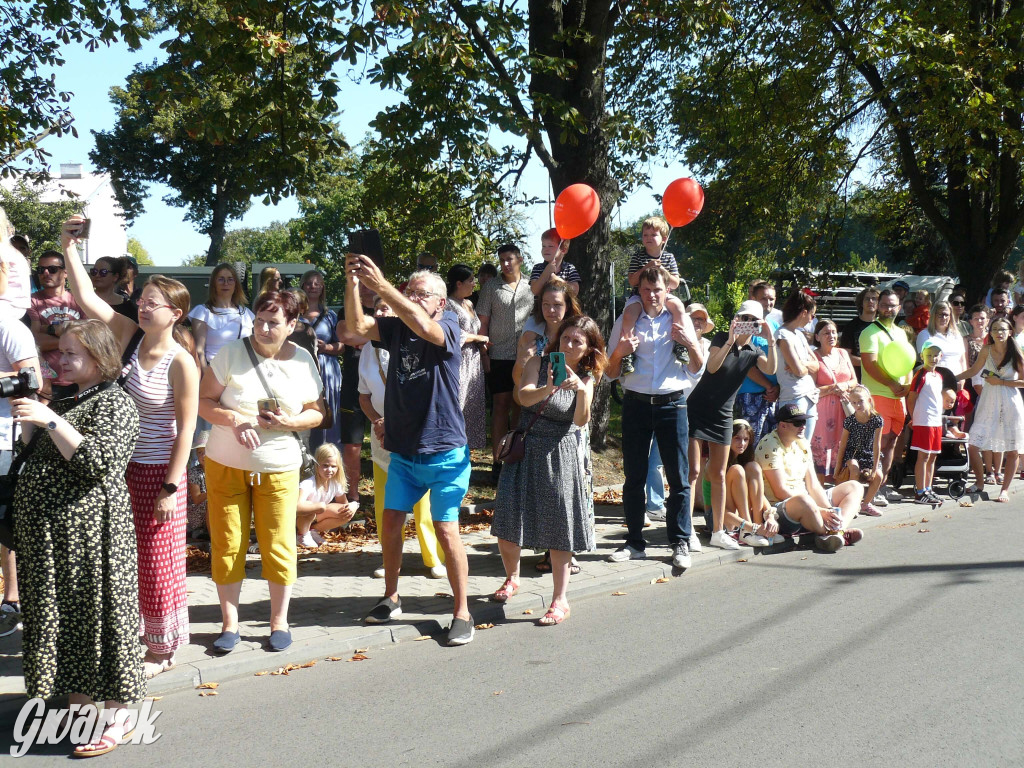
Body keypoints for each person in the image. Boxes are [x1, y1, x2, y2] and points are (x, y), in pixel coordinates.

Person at [62, 216, 198, 679]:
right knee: (127, 556)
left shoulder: (182, 362)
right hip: (120, 468)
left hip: (159, 471)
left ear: (175, 312)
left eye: (153, 304)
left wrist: (170, 486)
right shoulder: (128, 337)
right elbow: (83, 297)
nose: (143, 308)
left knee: (159, 561)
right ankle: (135, 634)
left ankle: (162, 650)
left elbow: (186, 430)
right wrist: (66, 245)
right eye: (142, 301)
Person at [11, 319, 144, 757]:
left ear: (100, 357)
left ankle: (117, 715)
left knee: (98, 620)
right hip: (50, 540)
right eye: (60, 352)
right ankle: (78, 708)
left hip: (93, 539)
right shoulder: (66, 400)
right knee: (64, 622)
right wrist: (30, 414)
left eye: (71, 354)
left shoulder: (117, 404)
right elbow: (34, 455)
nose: (60, 361)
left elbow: (94, 462)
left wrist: (49, 418)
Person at [345, 255, 475, 646]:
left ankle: (462, 612)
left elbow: (427, 330)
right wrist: (354, 284)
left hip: (445, 452)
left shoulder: (450, 323)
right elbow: (357, 327)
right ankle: (391, 596)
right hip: (404, 452)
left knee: (445, 529)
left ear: (440, 302)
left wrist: (383, 287)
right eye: (410, 292)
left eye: (423, 294)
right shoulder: (395, 327)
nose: (414, 298)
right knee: (389, 524)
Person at [198, 290, 325, 654]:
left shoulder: (302, 360)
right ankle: (230, 624)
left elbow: (317, 412)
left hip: (279, 468)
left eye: (273, 322)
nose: (263, 328)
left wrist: (291, 421)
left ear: (292, 325)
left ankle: (279, 622)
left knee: (279, 544)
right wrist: (235, 419)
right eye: (258, 320)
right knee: (227, 543)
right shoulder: (231, 353)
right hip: (225, 464)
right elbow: (205, 403)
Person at [490, 316, 605, 625]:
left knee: (558, 528)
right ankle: (512, 578)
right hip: (526, 449)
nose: (569, 345)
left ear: (588, 348)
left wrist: (581, 390)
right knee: (508, 518)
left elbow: (581, 421)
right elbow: (522, 396)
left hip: (560, 453)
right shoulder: (538, 363)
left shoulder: (588, 376)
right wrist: (548, 388)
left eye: (577, 342)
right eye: (566, 338)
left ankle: (559, 600)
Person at [605, 265, 705, 567]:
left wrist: (689, 342)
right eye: (646, 290)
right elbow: (609, 373)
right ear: (639, 291)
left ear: (667, 290)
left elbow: (697, 367)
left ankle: (679, 542)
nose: (651, 295)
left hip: (672, 404)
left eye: (657, 290)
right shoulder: (626, 321)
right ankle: (634, 542)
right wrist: (620, 352)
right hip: (635, 403)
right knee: (634, 477)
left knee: (678, 477)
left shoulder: (679, 319)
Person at [357, 296, 447, 580]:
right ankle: (389, 560)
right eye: (378, 309)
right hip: (382, 433)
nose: (382, 313)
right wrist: (377, 420)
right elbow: (363, 396)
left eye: (388, 308)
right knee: (386, 501)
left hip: (413, 431)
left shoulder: (412, 342)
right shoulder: (367, 352)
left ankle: (432, 557)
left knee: (422, 501)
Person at [688, 299, 777, 550]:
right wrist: (729, 339)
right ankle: (686, 532)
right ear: (736, 319)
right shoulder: (719, 338)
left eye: (753, 321)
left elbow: (771, 368)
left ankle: (718, 532)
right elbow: (713, 367)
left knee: (718, 473)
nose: (746, 324)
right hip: (697, 410)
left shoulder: (754, 352)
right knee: (693, 471)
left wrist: (770, 338)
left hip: (723, 415)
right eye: (743, 319)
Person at [755, 404, 865, 552]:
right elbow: (780, 491)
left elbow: (813, 485)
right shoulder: (770, 445)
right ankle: (830, 534)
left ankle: (837, 531)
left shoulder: (803, 443)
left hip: (807, 503)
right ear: (782, 425)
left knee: (854, 487)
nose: (803, 427)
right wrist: (819, 510)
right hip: (780, 508)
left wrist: (829, 510)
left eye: (804, 422)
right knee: (804, 499)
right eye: (797, 423)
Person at [477, 243, 534, 481]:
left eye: (510, 259)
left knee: (521, 403)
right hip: (499, 353)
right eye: (502, 260)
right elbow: (482, 322)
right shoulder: (491, 287)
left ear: (519, 259)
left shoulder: (532, 284)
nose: (506, 264)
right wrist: (484, 353)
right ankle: (498, 459)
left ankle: (517, 456)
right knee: (500, 405)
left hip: (525, 355)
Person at [0, 313, 41, 639]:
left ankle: (13, 601)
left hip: (3, 438)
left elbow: (33, 380)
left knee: (6, 525)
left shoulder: (8, 325)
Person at [956, 317, 1024, 502]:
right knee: (973, 444)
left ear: (1009, 331)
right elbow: (973, 371)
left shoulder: (1015, 351)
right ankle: (979, 482)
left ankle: (1005, 490)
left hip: (1011, 401)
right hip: (989, 399)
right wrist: (950, 378)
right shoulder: (986, 349)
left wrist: (1001, 382)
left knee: (1013, 449)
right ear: (990, 333)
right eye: (995, 329)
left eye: (1002, 329)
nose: (998, 332)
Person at [859, 289, 911, 504]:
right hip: (878, 395)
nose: (888, 309)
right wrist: (891, 383)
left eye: (893, 305)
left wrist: (906, 387)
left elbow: (906, 361)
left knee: (891, 444)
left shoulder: (901, 333)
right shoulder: (869, 332)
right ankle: (871, 490)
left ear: (899, 307)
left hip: (898, 398)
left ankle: (882, 486)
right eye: (885, 305)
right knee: (878, 445)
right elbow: (870, 364)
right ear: (877, 306)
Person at [618, 216, 688, 373]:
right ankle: (628, 352)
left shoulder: (668, 257)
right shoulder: (638, 256)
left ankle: (680, 343)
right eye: (645, 235)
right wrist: (646, 268)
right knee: (629, 312)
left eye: (653, 235)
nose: (648, 238)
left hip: (663, 296)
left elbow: (675, 283)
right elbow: (632, 281)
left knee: (678, 306)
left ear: (663, 239)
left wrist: (663, 271)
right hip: (639, 296)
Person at [698, 420, 774, 547]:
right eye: (737, 438)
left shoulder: (744, 459)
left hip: (741, 519)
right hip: (718, 517)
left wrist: (771, 516)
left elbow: (760, 496)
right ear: (728, 438)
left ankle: (758, 526)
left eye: (746, 439)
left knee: (754, 467)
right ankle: (748, 532)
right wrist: (748, 526)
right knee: (736, 470)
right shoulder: (714, 463)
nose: (742, 443)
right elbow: (718, 508)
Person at [335, 280, 376, 506]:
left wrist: (361, 338)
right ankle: (353, 493)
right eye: (361, 285)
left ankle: (390, 490)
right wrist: (376, 336)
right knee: (352, 444)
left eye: (368, 284)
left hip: (382, 384)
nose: (366, 288)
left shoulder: (385, 308)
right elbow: (345, 336)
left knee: (388, 439)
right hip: (352, 382)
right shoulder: (347, 311)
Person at [27, 250, 85, 398]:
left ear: (65, 272)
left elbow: (88, 338)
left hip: (80, 382)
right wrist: (72, 339)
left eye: (52, 269)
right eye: (41, 269)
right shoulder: (32, 301)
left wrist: (48, 329)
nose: (45, 273)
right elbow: (36, 342)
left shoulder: (80, 300)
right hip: (46, 383)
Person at [445, 264, 488, 450]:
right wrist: (478, 337)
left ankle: (466, 452)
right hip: (459, 360)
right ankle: (452, 447)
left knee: (472, 405)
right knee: (458, 404)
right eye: (471, 280)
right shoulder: (448, 304)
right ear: (459, 283)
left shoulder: (469, 303)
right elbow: (452, 334)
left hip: (474, 361)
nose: (474, 283)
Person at [300, 269, 344, 450]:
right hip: (300, 369)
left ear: (323, 287)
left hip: (326, 369)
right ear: (302, 286)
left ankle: (329, 459)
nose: (313, 287)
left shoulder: (330, 316)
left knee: (327, 412)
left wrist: (325, 347)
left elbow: (342, 346)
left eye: (317, 283)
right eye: (309, 283)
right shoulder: (293, 314)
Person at [513, 276, 582, 386]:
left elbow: (595, 372)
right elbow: (518, 383)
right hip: (535, 399)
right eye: (546, 304)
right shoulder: (531, 337)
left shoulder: (579, 335)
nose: (551, 310)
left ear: (567, 306)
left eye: (557, 305)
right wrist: (521, 363)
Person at [735, 280, 781, 445]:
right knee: (751, 446)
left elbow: (777, 361)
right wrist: (769, 387)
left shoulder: (774, 326)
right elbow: (745, 363)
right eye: (764, 298)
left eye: (772, 299)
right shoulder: (746, 323)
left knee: (769, 447)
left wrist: (778, 388)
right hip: (752, 395)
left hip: (773, 397)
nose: (768, 303)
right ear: (753, 298)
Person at [811, 318, 856, 482]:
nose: (831, 335)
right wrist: (831, 389)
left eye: (833, 332)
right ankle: (820, 494)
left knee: (842, 448)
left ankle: (840, 492)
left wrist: (843, 385)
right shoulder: (814, 357)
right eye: (826, 333)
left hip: (844, 408)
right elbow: (811, 388)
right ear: (817, 337)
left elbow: (854, 380)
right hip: (823, 411)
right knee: (822, 453)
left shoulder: (843, 353)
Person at [189, 263, 255, 372]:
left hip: (242, 372)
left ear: (236, 284)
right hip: (215, 372)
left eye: (230, 279)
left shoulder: (247, 313)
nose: (226, 283)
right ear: (214, 284)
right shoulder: (202, 312)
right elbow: (199, 351)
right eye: (221, 279)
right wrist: (206, 376)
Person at [907, 341, 950, 505]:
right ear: (922, 356)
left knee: (932, 456)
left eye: (935, 355)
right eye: (929, 355)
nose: (932, 358)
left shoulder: (938, 376)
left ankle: (928, 488)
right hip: (923, 422)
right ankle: (919, 492)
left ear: (941, 356)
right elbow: (911, 399)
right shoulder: (920, 376)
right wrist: (914, 418)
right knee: (923, 457)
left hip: (936, 421)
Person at [834, 385, 886, 516]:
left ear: (868, 400)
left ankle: (865, 504)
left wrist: (874, 469)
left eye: (860, 401)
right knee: (854, 468)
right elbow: (843, 445)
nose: (857, 405)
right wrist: (837, 466)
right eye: (854, 403)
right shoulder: (850, 421)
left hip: (869, 453)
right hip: (853, 453)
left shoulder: (877, 419)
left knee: (879, 476)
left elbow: (876, 445)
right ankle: (853, 504)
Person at [775, 290, 820, 439]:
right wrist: (802, 367)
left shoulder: (799, 334)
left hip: (810, 396)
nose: (811, 320)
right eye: (811, 316)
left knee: (805, 447)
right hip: (793, 397)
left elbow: (816, 365)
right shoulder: (782, 335)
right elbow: (798, 371)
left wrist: (802, 363)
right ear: (803, 312)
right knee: (793, 445)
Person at [295, 442, 358, 547]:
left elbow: (343, 505)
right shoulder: (308, 483)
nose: (329, 470)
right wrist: (318, 507)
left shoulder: (335, 483)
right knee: (309, 504)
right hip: (298, 519)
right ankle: (301, 535)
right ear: (317, 464)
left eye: (333, 466)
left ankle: (312, 531)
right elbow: (296, 507)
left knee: (345, 512)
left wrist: (354, 505)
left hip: (315, 517)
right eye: (325, 465)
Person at [916, 300, 967, 379]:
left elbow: (962, 360)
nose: (943, 318)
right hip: (936, 381)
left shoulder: (956, 334)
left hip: (959, 380)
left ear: (950, 316)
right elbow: (926, 363)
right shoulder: (925, 335)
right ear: (933, 316)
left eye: (946, 315)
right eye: (940, 315)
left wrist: (962, 379)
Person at [529, 228, 581, 295]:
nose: (546, 249)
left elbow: (575, 291)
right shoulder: (538, 268)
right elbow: (534, 291)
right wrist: (545, 274)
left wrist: (556, 279)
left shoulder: (569, 268)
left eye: (550, 246)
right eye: (543, 246)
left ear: (563, 250)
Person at [840, 286, 879, 376]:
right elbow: (845, 356)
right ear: (861, 303)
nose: (870, 301)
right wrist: (869, 364)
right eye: (867, 299)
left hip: (881, 377)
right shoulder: (851, 327)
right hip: (858, 376)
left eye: (874, 299)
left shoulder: (883, 326)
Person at [88, 256, 138, 322]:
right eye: (94, 271)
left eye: (103, 272)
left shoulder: (128, 307)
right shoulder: (81, 299)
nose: (97, 275)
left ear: (115, 277)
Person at [0, 232, 31, 322]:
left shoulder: (38, 275)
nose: (17, 250)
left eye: (21, 248)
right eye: (13, 247)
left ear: (28, 251)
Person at [187, 443, 209, 540]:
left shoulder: (219, 470)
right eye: (200, 452)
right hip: (198, 510)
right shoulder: (194, 472)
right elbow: (196, 499)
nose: (203, 456)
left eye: (206, 452)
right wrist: (214, 492)